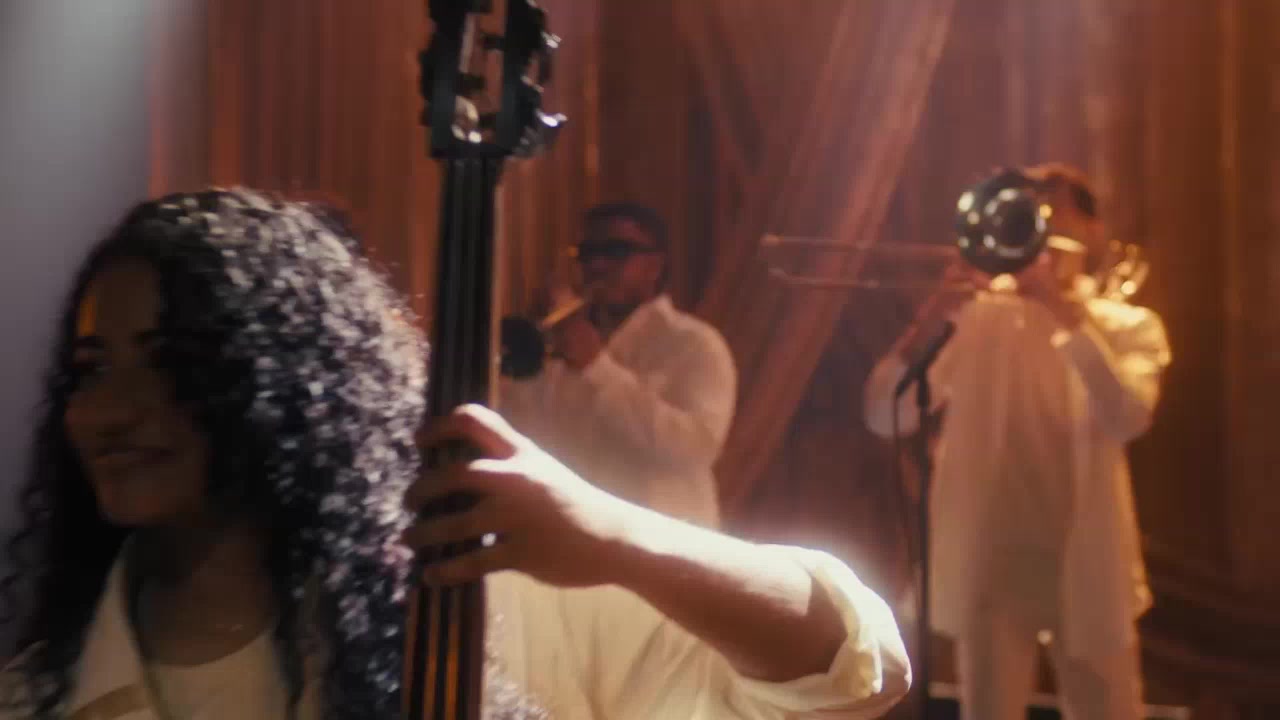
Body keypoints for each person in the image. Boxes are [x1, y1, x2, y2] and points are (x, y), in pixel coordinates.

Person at [0, 189, 908, 720]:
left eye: (170, 364)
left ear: (289, 383)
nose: (110, 411)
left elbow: (847, 661)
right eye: (90, 370)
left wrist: (602, 534)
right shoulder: (36, 682)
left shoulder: (477, 604)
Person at [864, 164, 1171, 720]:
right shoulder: (980, 316)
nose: (1042, 224)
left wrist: (1062, 309)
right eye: (1031, 211)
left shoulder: (1127, 325)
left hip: (1090, 566)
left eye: (1056, 211)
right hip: (993, 565)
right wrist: (933, 317)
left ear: (1092, 229)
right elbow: (886, 413)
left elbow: (1127, 417)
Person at [501, 203, 736, 527]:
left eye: (616, 251)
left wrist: (597, 368)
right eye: (588, 253)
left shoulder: (695, 344)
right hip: (572, 538)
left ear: (655, 265)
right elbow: (526, 435)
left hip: (661, 542)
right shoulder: (562, 341)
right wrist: (527, 361)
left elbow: (695, 450)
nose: (597, 265)